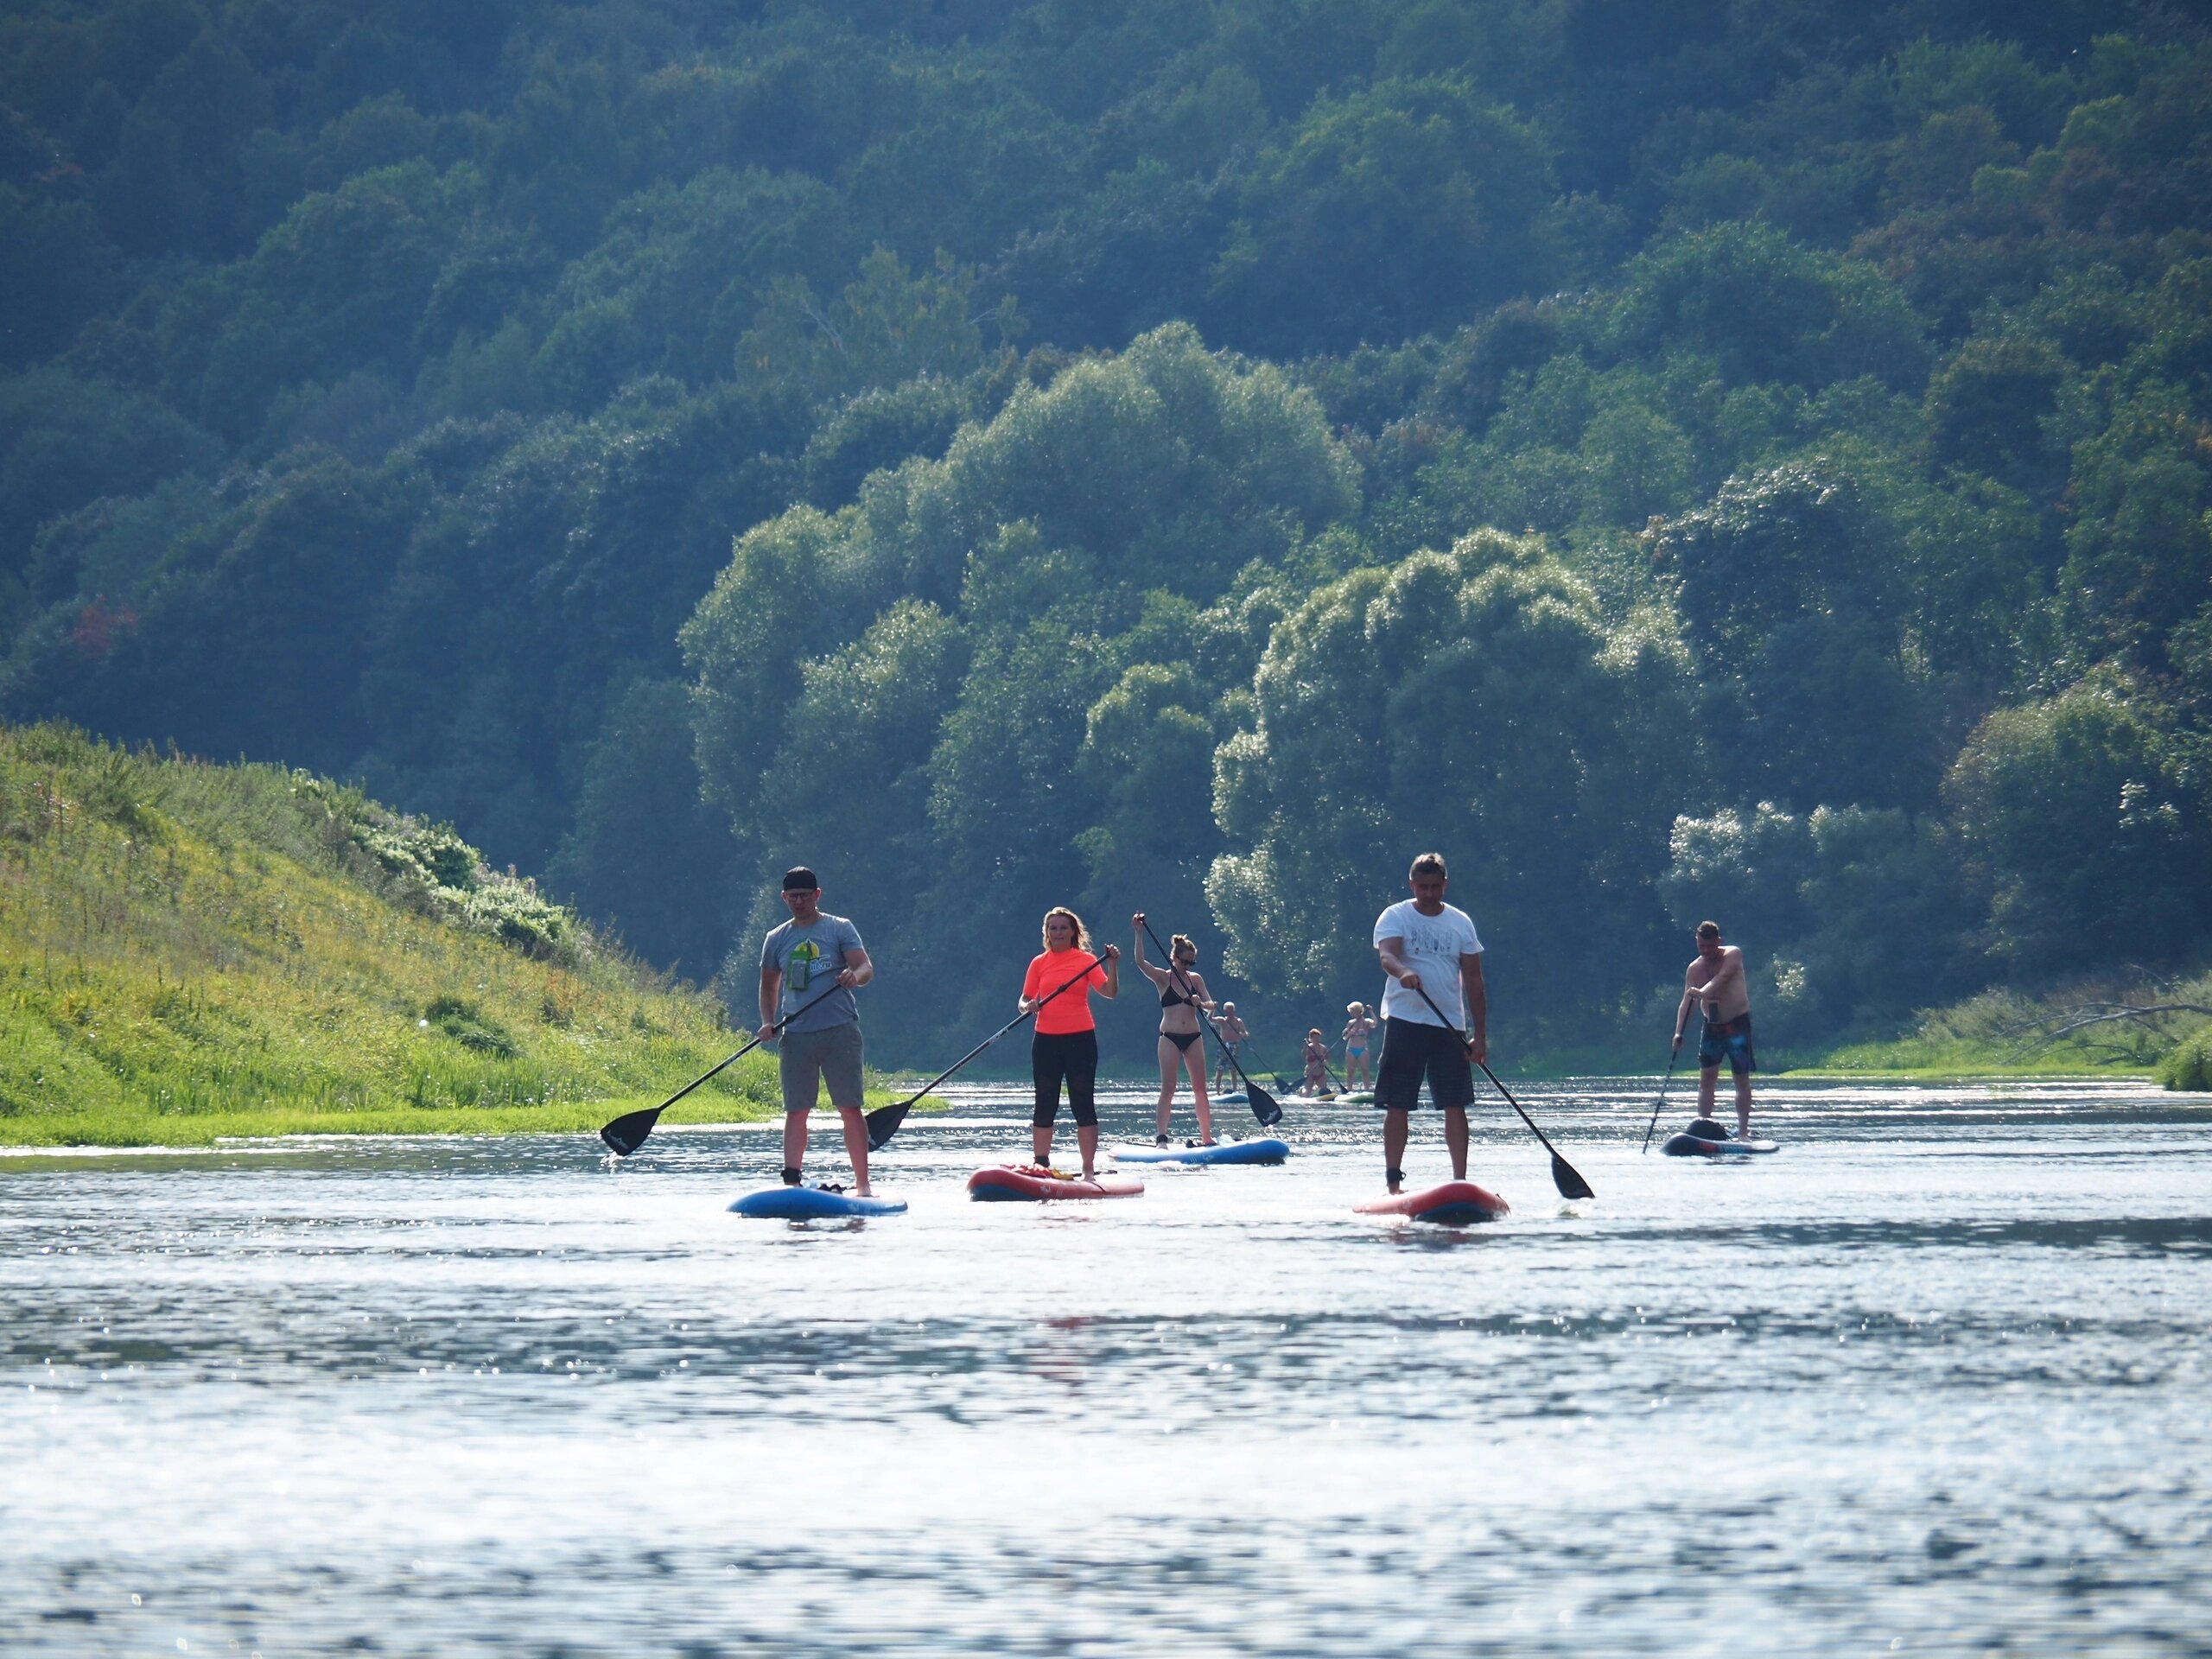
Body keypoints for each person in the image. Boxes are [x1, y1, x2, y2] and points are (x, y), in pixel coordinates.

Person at [1372, 851, 1487, 1193]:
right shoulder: (1395, 916)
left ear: (1445, 885)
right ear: (1412, 885)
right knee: (1398, 1102)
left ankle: (1460, 1182)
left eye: (1435, 887)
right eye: (1422, 887)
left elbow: (1475, 981)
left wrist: (1480, 1037)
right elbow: (1387, 956)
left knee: (1455, 1102)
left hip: (1449, 1025)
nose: (1429, 894)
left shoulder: (1460, 923)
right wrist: (1403, 971)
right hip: (1405, 1019)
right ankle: (1393, 1182)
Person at [757, 867, 875, 1193]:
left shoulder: (839, 929)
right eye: (793, 896)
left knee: (849, 1107)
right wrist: (768, 1022)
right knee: (797, 1110)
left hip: (840, 1030)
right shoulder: (776, 939)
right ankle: (792, 1181)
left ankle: (863, 1185)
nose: (799, 902)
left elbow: (865, 967)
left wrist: (855, 975)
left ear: (817, 896)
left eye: (805, 896)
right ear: (784, 898)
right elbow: (769, 988)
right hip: (797, 1036)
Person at [1021, 906, 1120, 1177]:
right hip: (1046, 1041)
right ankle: (1041, 1164)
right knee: (1045, 1101)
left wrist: (1112, 964)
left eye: (1063, 928)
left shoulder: (1086, 960)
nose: (1058, 932)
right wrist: (1028, 1006)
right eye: (1053, 928)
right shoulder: (1038, 963)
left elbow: (1109, 992)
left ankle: (1088, 1168)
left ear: (1073, 932)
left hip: (1080, 1039)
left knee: (1082, 1102)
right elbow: (1024, 999)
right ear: (1047, 933)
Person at [1131, 914, 1214, 1146]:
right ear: (1174, 958)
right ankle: (1161, 1137)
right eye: (1184, 962)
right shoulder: (1162, 978)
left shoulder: (1195, 980)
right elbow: (1140, 963)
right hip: (1169, 1037)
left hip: (1193, 1037)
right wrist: (1138, 933)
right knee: (1169, 1088)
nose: (1187, 967)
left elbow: (1210, 1004)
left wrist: (1201, 1003)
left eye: (1191, 963)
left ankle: (1207, 1137)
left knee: (1200, 1088)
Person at [1674, 921, 1755, 1138]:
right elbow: (1687, 1003)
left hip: (1737, 1025)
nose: (1707, 951)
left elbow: (1722, 978)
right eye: (1702, 947)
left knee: (1741, 1078)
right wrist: (1679, 1033)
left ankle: (1744, 1132)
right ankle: (1704, 1128)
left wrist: (1702, 992)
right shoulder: (1694, 968)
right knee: (1707, 1079)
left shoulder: (1733, 954)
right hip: (1712, 1027)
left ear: (1718, 941)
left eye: (1710, 946)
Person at [1343, 1001, 1376, 1090]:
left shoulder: (1366, 1022)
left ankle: (1367, 1090)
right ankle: (1349, 1089)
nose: (1351, 1014)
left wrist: (1371, 1011)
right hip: (1351, 1049)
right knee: (1350, 1071)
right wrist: (1348, 1033)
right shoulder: (1351, 1023)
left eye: (1352, 1012)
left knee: (1365, 1071)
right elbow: (1345, 1037)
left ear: (1357, 1011)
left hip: (1363, 1049)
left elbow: (1375, 1024)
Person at [1301, 1029, 1331, 1096]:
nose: (1316, 1039)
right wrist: (1305, 1047)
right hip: (1310, 1073)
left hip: (1321, 1073)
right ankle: (1303, 1093)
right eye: (1314, 1038)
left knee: (1324, 1091)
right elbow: (1303, 1054)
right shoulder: (1308, 1047)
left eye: (1317, 1037)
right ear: (1310, 1039)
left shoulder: (1324, 1048)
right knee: (1307, 1092)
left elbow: (1327, 1058)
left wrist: (1325, 1062)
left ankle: (1318, 1094)